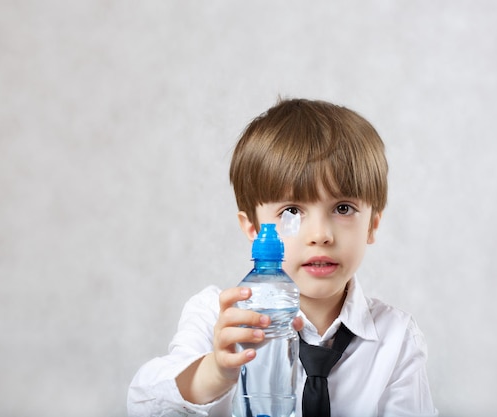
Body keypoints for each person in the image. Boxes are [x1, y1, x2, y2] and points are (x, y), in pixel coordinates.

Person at [127, 98, 438, 416]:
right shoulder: (216, 318)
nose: (320, 234)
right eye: (292, 210)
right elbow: (142, 403)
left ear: (372, 225)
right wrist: (215, 373)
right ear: (253, 228)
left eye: (343, 208)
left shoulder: (397, 338)